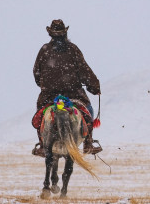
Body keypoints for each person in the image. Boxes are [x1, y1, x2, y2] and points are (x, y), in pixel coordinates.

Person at [32, 19, 102, 155]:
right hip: (73, 94)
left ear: (50, 34)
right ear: (65, 33)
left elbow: (36, 72)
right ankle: (88, 143)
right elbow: (85, 70)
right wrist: (94, 87)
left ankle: (42, 144)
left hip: (49, 96)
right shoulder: (73, 49)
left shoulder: (44, 50)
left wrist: (45, 84)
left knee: (40, 114)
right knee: (88, 111)